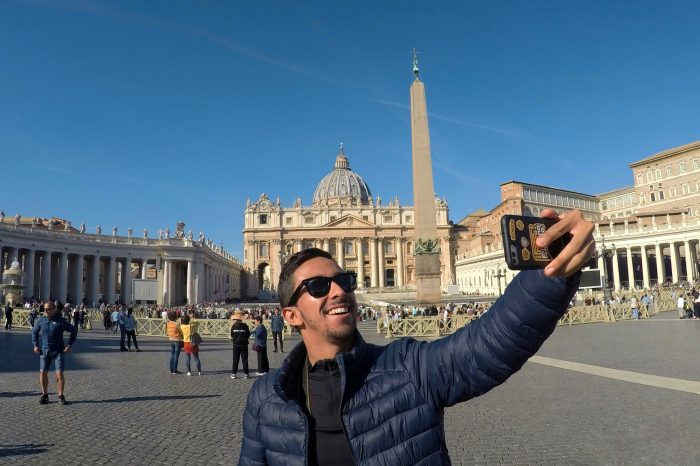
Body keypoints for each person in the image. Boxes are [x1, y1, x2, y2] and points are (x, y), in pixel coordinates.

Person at [238, 208, 594, 465]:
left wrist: (550, 274)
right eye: (318, 286)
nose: (337, 291)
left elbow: (488, 345)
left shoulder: (409, 368)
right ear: (290, 315)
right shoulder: (267, 400)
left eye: (344, 281)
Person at [32, 302, 77, 405]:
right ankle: (45, 395)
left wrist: (69, 345)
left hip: (58, 350)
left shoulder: (61, 321)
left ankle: (60, 395)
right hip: (44, 350)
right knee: (43, 372)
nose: (46, 311)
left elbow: (73, 331)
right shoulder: (41, 320)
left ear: (54, 309)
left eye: (48, 309)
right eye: (45, 309)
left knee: (59, 373)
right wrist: (35, 345)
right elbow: (34, 332)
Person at [230, 310, 250, 379]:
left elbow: (232, 335)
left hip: (236, 345)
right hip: (244, 345)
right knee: (245, 360)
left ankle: (234, 373)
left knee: (235, 359)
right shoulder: (245, 326)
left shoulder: (233, 326)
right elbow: (248, 335)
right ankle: (246, 374)